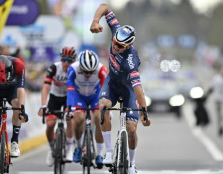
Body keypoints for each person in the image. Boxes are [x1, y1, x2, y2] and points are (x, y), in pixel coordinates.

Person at [90, 3, 151, 174]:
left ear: (128, 46)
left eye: (120, 47)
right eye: (114, 43)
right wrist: (96, 20)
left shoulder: (130, 60)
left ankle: (131, 163)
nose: (115, 47)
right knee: (103, 106)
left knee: (131, 129)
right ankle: (109, 152)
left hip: (129, 89)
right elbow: (104, 6)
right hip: (112, 83)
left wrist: (144, 112)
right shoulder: (117, 30)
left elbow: (138, 88)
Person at [66, 49, 107, 167]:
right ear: (80, 67)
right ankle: (78, 147)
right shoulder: (73, 69)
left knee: (100, 119)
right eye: (85, 71)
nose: (88, 75)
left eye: (91, 71)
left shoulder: (101, 69)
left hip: (96, 96)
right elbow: (70, 90)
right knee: (78, 119)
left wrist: (106, 107)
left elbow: (106, 89)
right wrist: (70, 108)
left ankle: (99, 154)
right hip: (79, 96)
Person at [37, 46, 76, 166]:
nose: (66, 63)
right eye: (64, 59)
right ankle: (52, 149)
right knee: (50, 125)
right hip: (54, 97)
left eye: (69, 60)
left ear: (73, 61)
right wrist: (43, 105)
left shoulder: (76, 69)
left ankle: (69, 148)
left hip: (68, 97)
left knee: (69, 120)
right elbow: (46, 87)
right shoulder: (54, 67)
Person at [206, 65, 223, 136]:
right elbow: (211, 88)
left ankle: (222, 126)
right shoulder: (216, 78)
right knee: (218, 115)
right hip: (217, 99)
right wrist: (206, 96)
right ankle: (219, 127)